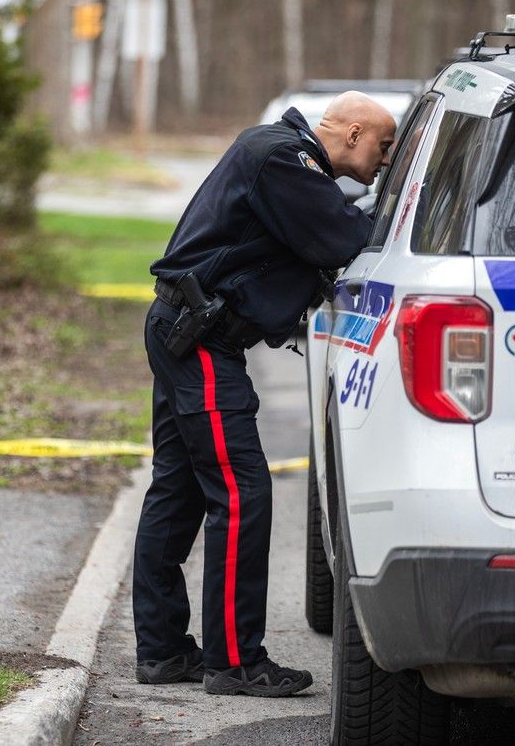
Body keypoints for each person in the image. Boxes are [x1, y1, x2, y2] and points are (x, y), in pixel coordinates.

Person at [133, 91, 397, 697]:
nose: (383, 159)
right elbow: (344, 238)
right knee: (242, 491)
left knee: (177, 491)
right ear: (352, 133)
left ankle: (164, 651)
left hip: (185, 330)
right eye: (383, 146)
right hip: (200, 339)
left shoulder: (276, 152)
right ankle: (234, 662)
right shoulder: (287, 162)